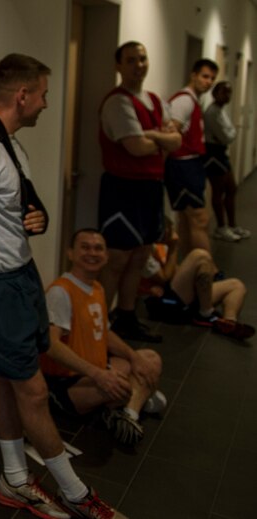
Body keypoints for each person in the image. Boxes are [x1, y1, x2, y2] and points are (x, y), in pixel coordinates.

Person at [0, 54, 126, 519]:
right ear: (22, 95)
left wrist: (34, 221)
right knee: (33, 390)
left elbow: (10, 208)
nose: (45, 103)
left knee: (7, 379)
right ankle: (76, 493)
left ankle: (15, 479)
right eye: (42, 94)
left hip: (20, 280)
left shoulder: (11, 146)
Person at [41, 229, 164, 447]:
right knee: (125, 384)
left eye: (98, 248)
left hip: (98, 369)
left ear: (106, 256)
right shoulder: (61, 291)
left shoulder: (96, 287)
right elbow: (50, 344)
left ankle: (128, 415)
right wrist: (97, 374)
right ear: (70, 253)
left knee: (149, 360)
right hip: (68, 383)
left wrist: (133, 357)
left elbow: (104, 333)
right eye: (85, 247)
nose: (92, 253)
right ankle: (133, 400)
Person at [98, 41, 181, 344]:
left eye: (143, 59)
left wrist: (153, 137)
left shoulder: (156, 101)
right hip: (122, 189)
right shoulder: (117, 102)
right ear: (119, 65)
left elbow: (176, 142)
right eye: (131, 60)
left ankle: (127, 317)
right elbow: (136, 147)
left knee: (140, 256)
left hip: (150, 188)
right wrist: (162, 138)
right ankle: (100, 328)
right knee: (117, 259)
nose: (139, 65)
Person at [141, 218, 254, 340]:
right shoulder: (145, 252)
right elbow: (164, 278)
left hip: (179, 296)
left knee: (236, 285)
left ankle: (229, 321)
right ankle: (205, 313)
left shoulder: (161, 247)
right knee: (199, 255)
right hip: (163, 303)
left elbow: (173, 270)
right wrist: (174, 247)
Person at [165, 59, 219, 255]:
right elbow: (171, 135)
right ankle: (208, 271)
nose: (208, 82)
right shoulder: (184, 100)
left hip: (192, 164)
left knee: (189, 221)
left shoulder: (194, 100)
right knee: (199, 218)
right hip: (182, 165)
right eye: (205, 76)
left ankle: (190, 269)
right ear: (193, 75)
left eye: (212, 78)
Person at [204, 81, 251, 242]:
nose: (228, 96)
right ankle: (221, 227)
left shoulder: (221, 111)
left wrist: (229, 134)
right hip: (213, 155)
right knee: (218, 191)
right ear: (215, 93)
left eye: (230, 92)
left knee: (231, 188)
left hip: (221, 153)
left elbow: (230, 133)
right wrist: (229, 134)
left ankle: (232, 225)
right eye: (224, 92)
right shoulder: (211, 113)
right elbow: (227, 136)